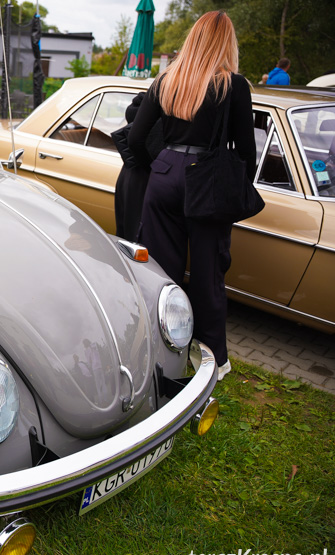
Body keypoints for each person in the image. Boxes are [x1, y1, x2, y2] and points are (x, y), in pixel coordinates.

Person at [127, 10, 255, 381]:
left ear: (193, 39)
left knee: (160, 273)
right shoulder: (234, 86)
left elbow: (136, 138)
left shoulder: (167, 80)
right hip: (208, 181)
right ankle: (213, 360)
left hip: (164, 174)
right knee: (207, 273)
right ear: (225, 43)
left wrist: (165, 164)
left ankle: (158, 348)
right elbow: (247, 148)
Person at [111, 92, 164, 241]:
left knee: (127, 234)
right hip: (144, 173)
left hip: (132, 170)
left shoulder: (151, 96)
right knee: (137, 238)